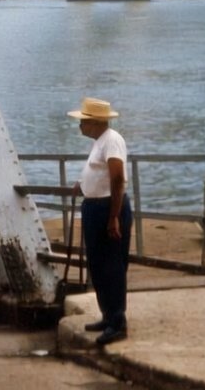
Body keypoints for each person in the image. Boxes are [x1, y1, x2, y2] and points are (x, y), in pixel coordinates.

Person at [69, 96, 132, 345]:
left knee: (112, 266)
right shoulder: (100, 142)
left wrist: (114, 216)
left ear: (95, 122)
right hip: (94, 207)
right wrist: (83, 184)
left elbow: (117, 178)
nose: (80, 126)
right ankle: (108, 315)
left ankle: (118, 321)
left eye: (83, 121)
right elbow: (100, 173)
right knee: (97, 265)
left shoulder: (112, 141)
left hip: (107, 207)